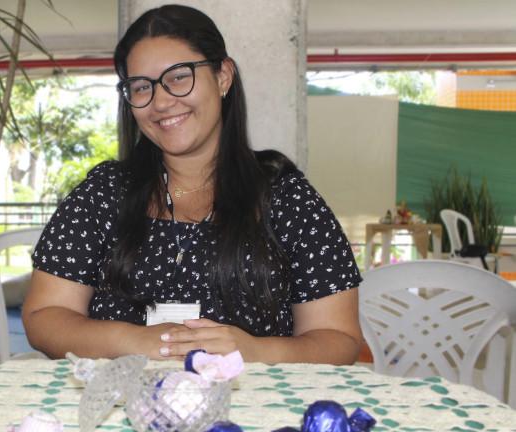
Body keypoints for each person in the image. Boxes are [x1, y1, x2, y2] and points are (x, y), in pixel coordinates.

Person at [22, 4, 362, 364]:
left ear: (223, 76)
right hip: (122, 406)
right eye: (141, 87)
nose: (162, 101)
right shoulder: (105, 193)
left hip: (253, 410)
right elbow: (44, 317)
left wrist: (255, 350)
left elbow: (338, 339)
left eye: (179, 76)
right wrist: (136, 340)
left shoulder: (287, 197)